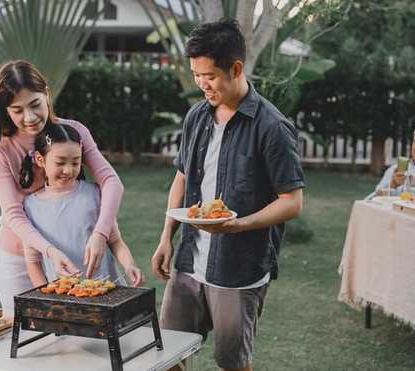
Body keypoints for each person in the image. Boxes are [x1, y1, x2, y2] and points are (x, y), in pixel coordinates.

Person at [151, 19, 304, 371]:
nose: (202, 84)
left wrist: (240, 225)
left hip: (239, 269)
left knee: (233, 363)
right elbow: (182, 177)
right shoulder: (196, 117)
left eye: (210, 76)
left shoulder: (273, 127)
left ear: (236, 68)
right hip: (189, 262)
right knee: (168, 356)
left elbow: (292, 201)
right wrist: (166, 238)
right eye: (196, 75)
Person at [0, 60, 124, 315]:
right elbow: (14, 213)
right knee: (25, 333)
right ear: (4, 111)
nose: (29, 117)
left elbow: (111, 181)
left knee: (73, 336)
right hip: (19, 258)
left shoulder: (72, 132)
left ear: (46, 94)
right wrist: (48, 250)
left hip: (72, 255)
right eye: (17, 110)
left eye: (35, 104)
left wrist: (101, 233)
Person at [21, 123, 142, 287]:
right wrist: (45, 298)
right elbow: (33, 262)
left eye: (75, 162)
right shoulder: (30, 206)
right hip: (64, 299)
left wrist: (129, 265)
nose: (69, 170)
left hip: (109, 291)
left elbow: (115, 240)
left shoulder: (95, 194)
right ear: (40, 160)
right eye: (60, 162)